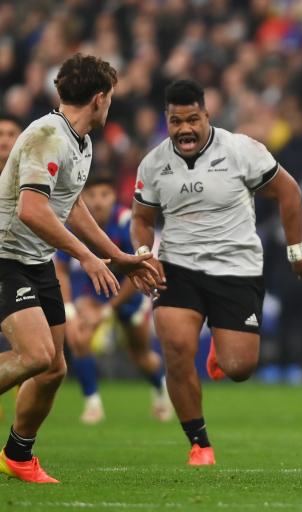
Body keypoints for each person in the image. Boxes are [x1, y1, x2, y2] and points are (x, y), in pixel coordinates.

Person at [131, 79, 302, 466]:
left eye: (192, 119)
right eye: (175, 121)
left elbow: (289, 192)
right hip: (177, 267)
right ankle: (199, 444)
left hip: (236, 268)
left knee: (239, 368)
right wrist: (144, 253)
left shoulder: (240, 150)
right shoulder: (153, 164)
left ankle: (222, 338)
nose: (184, 129)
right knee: (178, 351)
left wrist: (297, 254)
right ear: (167, 122)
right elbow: (141, 217)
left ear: (207, 116)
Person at [0, 53, 160, 484]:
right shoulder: (48, 136)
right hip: (6, 257)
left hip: (35, 260)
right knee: (34, 355)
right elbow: (34, 210)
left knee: (54, 368)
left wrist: (117, 256)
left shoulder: (80, 141)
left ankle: (18, 454)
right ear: (99, 98)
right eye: (110, 98)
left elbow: (69, 207)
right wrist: (87, 258)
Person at [54, 172, 172, 425]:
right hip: (93, 293)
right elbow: (60, 267)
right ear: (82, 197)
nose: (97, 201)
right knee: (78, 336)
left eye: (104, 195)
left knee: (140, 355)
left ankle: (161, 390)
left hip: (127, 294)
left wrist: (108, 312)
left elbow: (137, 274)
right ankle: (93, 405)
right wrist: (69, 309)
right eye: (92, 195)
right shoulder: (73, 223)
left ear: (114, 197)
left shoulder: (126, 222)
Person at [0, 113, 23, 421]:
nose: (5, 140)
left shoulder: (28, 179)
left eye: (11, 134)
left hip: (16, 270)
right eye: (0, 134)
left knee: (38, 356)